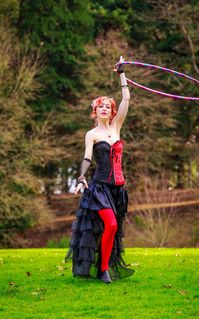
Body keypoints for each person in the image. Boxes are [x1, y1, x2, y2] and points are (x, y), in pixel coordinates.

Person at [64, 56, 134, 283]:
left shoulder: (117, 127)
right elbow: (86, 158)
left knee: (113, 230)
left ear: (112, 112)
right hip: (100, 188)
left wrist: (121, 74)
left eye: (107, 106)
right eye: (100, 106)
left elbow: (126, 98)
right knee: (110, 224)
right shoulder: (91, 135)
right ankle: (103, 269)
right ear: (95, 111)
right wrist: (82, 177)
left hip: (118, 190)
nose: (103, 109)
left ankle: (104, 266)